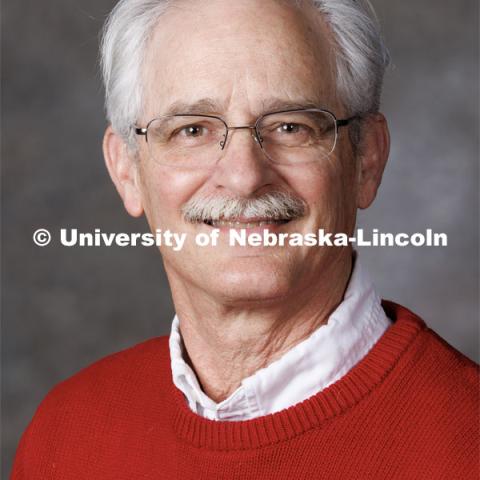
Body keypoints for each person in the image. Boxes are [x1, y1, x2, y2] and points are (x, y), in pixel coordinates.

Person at [11, 0, 478, 478]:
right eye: (191, 129)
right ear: (127, 169)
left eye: (291, 126)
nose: (243, 177)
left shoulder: (468, 443)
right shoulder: (66, 435)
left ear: (367, 161)